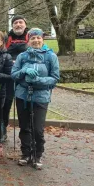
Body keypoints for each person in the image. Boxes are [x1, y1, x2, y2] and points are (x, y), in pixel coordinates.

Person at [11, 28, 59, 169]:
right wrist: (23, 71)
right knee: (24, 126)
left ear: (42, 39)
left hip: (41, 96)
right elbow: (14, 75)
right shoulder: (23, 56)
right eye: (33, 38)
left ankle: (37, 155)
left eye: (38, 38)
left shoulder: (51, 56)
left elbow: (55, 79)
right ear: (28, 40)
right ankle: (26, 154)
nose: (36, 40)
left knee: (38, 129)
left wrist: (38, 80)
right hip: (23, 95)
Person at [3, 15, 29, 141]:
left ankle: (26, 133)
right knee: (6, 104)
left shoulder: (31, 37)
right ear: (12, 25)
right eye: (15, 23)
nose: (18, 25)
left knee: (24, 105)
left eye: (20, 22)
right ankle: (3, 130)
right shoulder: (6, 38)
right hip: (8, 76)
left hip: (25, 78)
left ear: (25, 24)